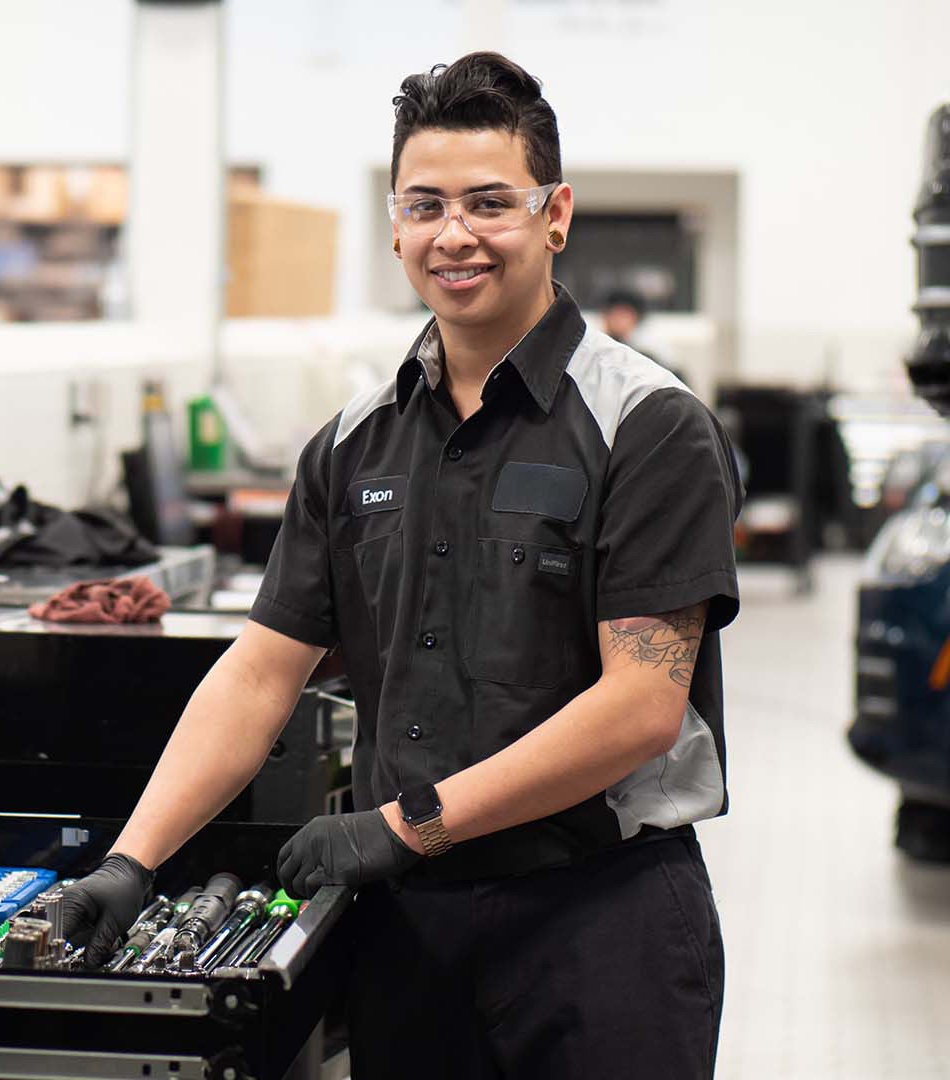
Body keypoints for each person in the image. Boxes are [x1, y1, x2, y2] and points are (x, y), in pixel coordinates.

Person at [62, 52, 743, 1078]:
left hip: (602, 926)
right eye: (425, 204)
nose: (454, 233)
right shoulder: (352, 444)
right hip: (414, 940)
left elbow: (641, 705)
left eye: (489, 202)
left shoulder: (649, 427)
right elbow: (261, 669)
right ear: (394, 225)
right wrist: (133, 858)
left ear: (555, 214)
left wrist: (405, 824)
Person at [601, 286, 689, 385]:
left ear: (635, 317)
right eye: (611, 314)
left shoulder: (650, 349)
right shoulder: (601, 347)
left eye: (622, 315)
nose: (616, 320)